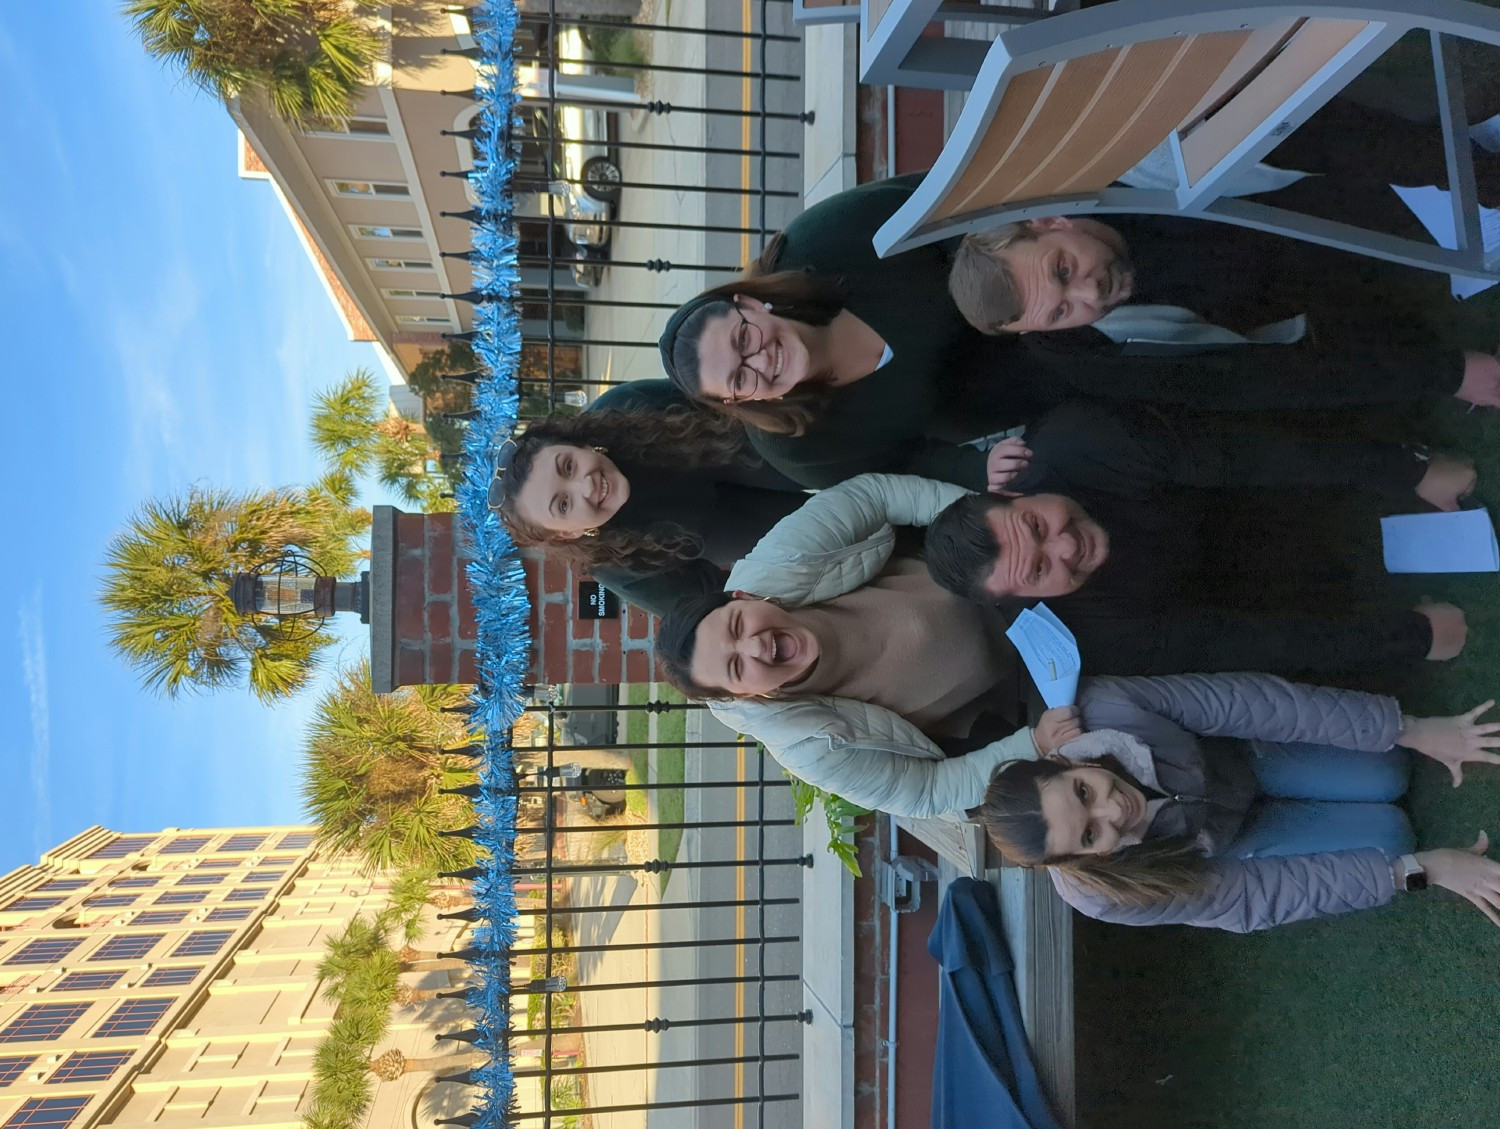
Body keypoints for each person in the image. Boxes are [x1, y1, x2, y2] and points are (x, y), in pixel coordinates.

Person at [944, 96, 1500, 414]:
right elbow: (1255, 378)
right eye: (1061, 312)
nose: (1091, 294)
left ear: (1049, 221)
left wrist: (1469, 175)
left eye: (1063, 270)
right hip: (1341, 303)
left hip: (1349, 187)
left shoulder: (1131, 171)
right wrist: (1446, 372)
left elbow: (1312, 134)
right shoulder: (1087, 351)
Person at [923, 400, 1473, 676]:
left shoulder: (1080, 441)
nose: (1067, 548)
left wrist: (1410, 471)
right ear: (1023, 599)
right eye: (1040, 570)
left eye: (1038, 528)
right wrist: (1412, 637)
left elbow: (1252, 452)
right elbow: (1239, 643)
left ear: (1018, 495)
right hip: (1242, 580)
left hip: (1253, 471)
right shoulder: (1084, 635)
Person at [655, 473, 1064, 819]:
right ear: (746, 696)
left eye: (738, 625)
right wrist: (1033, 743)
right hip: (1035, 683)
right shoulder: (809, 746)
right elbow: (927, 791)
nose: (755, 647)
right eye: (737, 668)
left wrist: (983, 523)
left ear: (743, 597)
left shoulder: (781, 564)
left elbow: (872, 496)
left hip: (1003, 577)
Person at [976, 671, 1500, 932]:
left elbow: (1256, 703)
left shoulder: (1110, 706)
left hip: (1246, 759)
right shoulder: (1102, 896)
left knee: (1388, 770)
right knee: (1393, 841)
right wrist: (1422, 870)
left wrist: (1411, 729)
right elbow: (1250, 898)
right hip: (1236, 841)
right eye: (1091, 835)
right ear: (1078, 860)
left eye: (1084, 792)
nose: (1115, 812)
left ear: (1063, 761)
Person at [657, 176, 1045, 492]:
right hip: (1028, 386)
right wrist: (974, 469)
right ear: (736, 401)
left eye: (743, 339)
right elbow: (898, 467)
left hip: (1028, 274)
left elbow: (945, 209)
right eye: (740, 378)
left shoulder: (824, 239)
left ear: (751, 304)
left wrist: (1018, 290)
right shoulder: (798, 450)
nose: (761, 360)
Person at [487, 408, 808, 616]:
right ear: (567, 533)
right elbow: (701, 607)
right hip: (726, 529)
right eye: (563, 504)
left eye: (568, 466)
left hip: (739, 444)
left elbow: (715, 398)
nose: (585, 486)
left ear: (579, 444)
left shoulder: (624, 410)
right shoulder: (614, 563)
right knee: (813, 527)